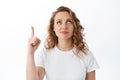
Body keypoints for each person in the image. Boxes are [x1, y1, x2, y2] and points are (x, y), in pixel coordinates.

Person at [26, 6, 99, 80]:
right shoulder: (45, 55)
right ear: (53, 27)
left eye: (69, 21)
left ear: (74, 26)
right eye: (59, 22)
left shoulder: (87, 56)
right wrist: (30, 53)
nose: (64, 26)